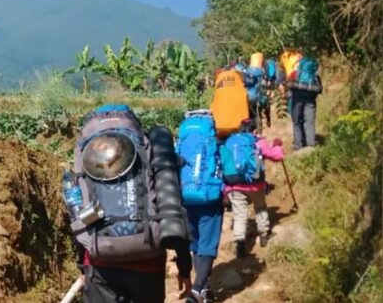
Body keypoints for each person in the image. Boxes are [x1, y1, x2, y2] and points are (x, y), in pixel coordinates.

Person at [67, 105, 194, 303]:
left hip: (101, 261)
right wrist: (184, 269)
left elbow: (78, 213)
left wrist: (83, 266)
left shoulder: (86, 149)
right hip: (147, 260)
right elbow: (171, 206)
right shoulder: (146, 148)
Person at [175, 110, 225, 303]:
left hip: (186, 198)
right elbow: (228, 167)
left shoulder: (181, 141)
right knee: (207, 246)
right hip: (209, 199)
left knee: (195, 245)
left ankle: (203, 288)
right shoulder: (215, 142)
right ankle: (196, 291)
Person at [222, 121, 285, 258]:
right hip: (255, 184)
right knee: (260, 207)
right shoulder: (257, 141)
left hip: (234, 185)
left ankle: (240, 242)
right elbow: (277, 156)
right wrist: (277, 146)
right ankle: (264, 235)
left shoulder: (229, 142)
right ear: (254, 130)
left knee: (239, 214)